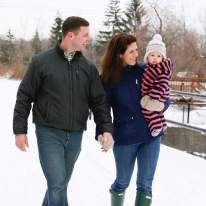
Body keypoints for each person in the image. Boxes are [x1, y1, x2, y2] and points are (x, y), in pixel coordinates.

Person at [13, 16, 113, 206]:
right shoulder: (41, 62)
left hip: (75, 135)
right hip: (48, 133)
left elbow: (99, 102)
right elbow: (24, 96)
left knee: (59, 185)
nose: (88, 39)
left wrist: (105, 129)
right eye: (84, 35)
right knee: (57, 184)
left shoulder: (88, 69)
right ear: (70, 35)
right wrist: (20, 130)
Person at [100, 33, 170, 206]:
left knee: (145, 185)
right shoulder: (108, 79)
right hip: (125, 137)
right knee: (122, 181)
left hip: (151, 135)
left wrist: (161, 105)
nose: (136, 55)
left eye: (137, 50)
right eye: (131, 51)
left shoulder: (146, 70)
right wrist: (104, 132)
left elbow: (164, 94)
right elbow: (102, 110)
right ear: (119, 54)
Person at [140, 34, 173, 137]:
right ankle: (162, 124)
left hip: (158, 95)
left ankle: (156, 126)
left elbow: (161, 84)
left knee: (147, 110)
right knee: (157, 112)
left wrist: (154, 98)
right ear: (147, 56)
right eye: (152, 55)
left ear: (162, 57)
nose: (155, 58)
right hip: (155, 94)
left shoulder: (161, 69)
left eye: (159, 56)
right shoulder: (151, 67)